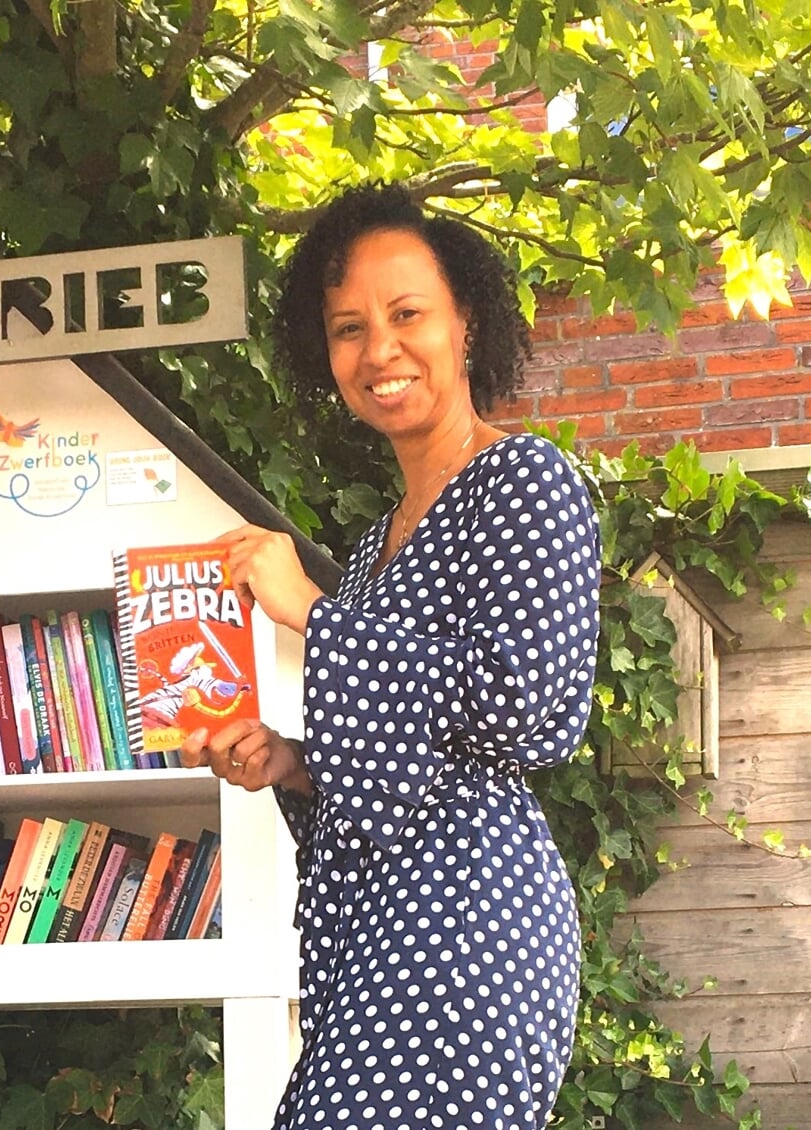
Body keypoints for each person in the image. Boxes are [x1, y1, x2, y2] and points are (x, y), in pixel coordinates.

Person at [182, 183, 599, 1130]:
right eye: (346, 327)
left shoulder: (524, 481)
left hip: (466, 929)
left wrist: (315, 616)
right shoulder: (375, 547)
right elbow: (405, 755)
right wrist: (295, 767)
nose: (378, 350)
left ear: (466, 325)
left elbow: (534, 710)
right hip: (370, 938)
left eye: (406, 313)